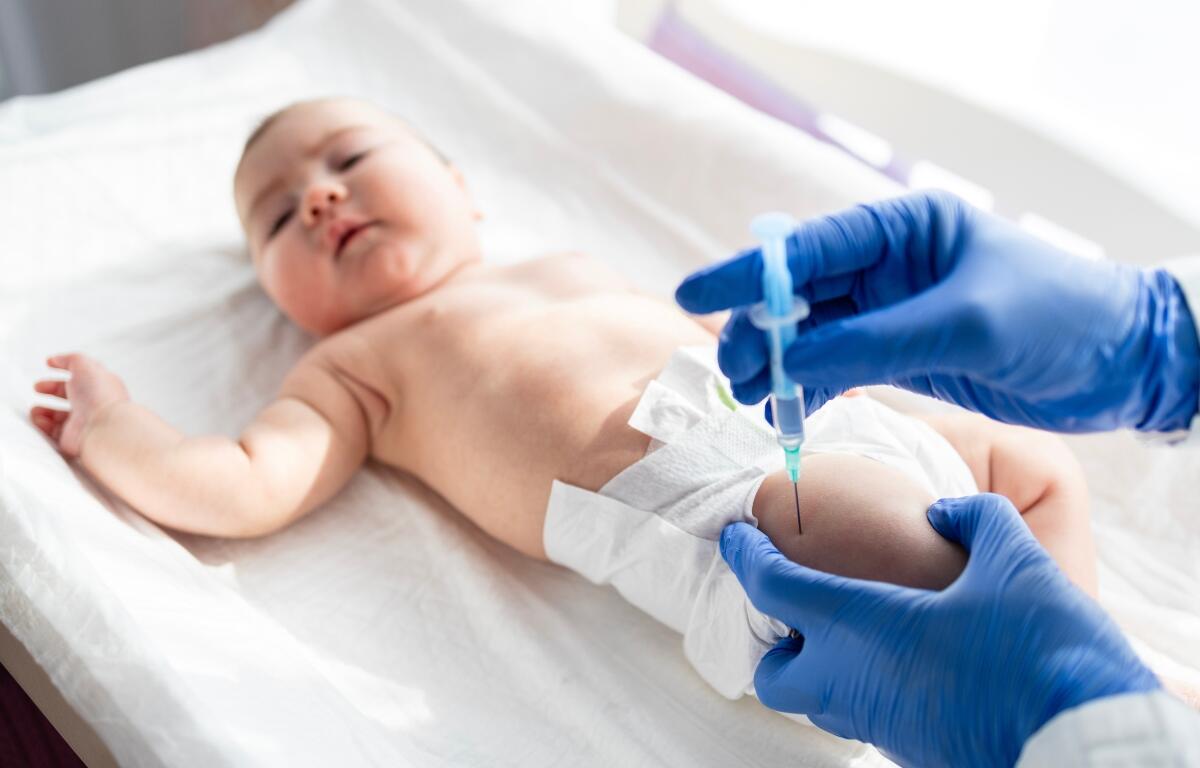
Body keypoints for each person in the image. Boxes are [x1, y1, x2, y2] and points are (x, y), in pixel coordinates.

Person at [30, 99, 1100, 708]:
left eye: (351, 159)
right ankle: (1071, 704)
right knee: (886, 536)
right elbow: (248, 486)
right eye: (275, 222)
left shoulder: (568, 261)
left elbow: (711, 335)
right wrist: (119, 429)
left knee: (1036, 469)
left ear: (463, 187)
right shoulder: (359, 367)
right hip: (727, 508)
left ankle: (1090, 659)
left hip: (810, 422)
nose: (319, 196)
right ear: (278, 295)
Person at [675, 190, 1200, 766]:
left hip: (743, 462)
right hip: (833, 444)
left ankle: (1084, 665)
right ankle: (1083, 659)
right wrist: (1155, 344)